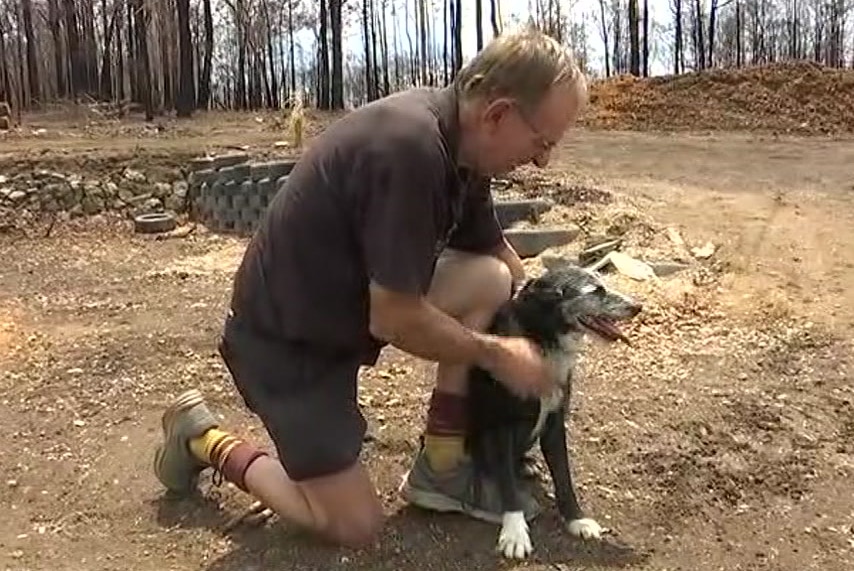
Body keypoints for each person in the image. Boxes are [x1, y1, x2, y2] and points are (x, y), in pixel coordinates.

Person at [153, 27, 588, 549]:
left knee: (487, 279)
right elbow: (396, 317)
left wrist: (542, 319)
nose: (542, 160)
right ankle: (202, 437)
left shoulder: (465, 150)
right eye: (542, 142)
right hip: (286, 341)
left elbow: (499, 259)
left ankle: (442, 469)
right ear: (497, 114)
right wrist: (499, 354)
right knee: (353, 526)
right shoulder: (410, 150)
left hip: (344, 312)